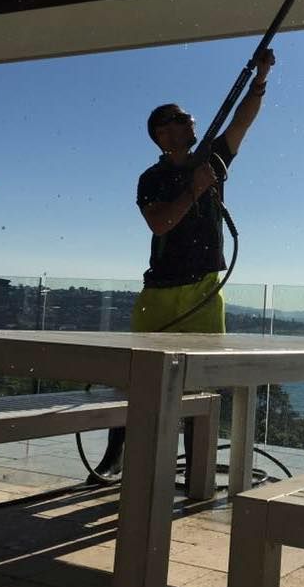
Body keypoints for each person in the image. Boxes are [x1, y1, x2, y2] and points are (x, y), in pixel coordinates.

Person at [92, 48, 276, 488]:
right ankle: (116, 456)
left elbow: (242, 121)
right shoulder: (151, 179)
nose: (190, 119)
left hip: (205, 290)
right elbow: (160, 223)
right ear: (161, 133)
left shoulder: (213, 158)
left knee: (202, 383)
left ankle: (197, 470)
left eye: (189, 115)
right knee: (135, 379)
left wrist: (261, 77)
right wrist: (194, 191)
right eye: (178, 118)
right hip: (160, 292)